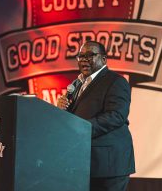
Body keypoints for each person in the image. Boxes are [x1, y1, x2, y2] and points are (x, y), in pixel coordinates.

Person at [57, 41, 135, 191]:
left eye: (90, 55)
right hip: (84, 162)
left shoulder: (116, 82)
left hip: (109, 165)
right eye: (81, 56)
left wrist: (82, 129)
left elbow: (116, 116)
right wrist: (61, 110)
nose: (84, 60)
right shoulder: (77, 83)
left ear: (104, 59)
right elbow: (73, 118)